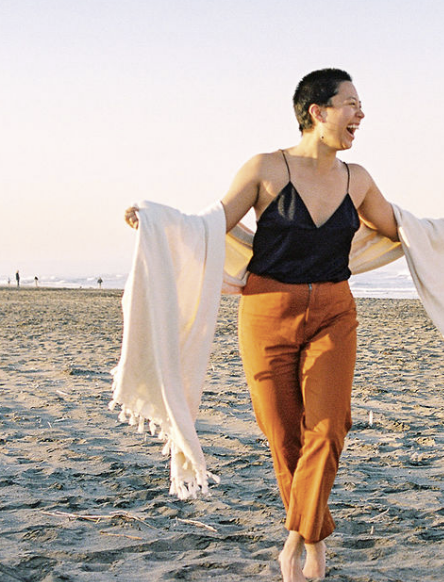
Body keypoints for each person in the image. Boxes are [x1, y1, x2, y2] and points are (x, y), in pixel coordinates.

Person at [125, 68, 399, 582]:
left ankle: (300, 539)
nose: (360, 115)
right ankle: (314, 534)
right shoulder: (265, 169)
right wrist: (157, 221)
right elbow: (211, 223)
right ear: (317, 112)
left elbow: (400, 229)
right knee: (282, 432)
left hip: (335, 313)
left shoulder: (356, 179)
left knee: (330, 425)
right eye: (351, 105)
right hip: (267, 311)